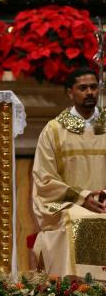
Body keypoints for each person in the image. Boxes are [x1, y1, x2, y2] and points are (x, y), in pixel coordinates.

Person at [32, 66, 106, 279]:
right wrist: (82, 198)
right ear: (70, 92)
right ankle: (82, 293)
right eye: (83, 88)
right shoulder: (54, 130)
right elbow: (44, 179)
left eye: (93, 87)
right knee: (78, 218)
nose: (90, 92)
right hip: (69, 204)